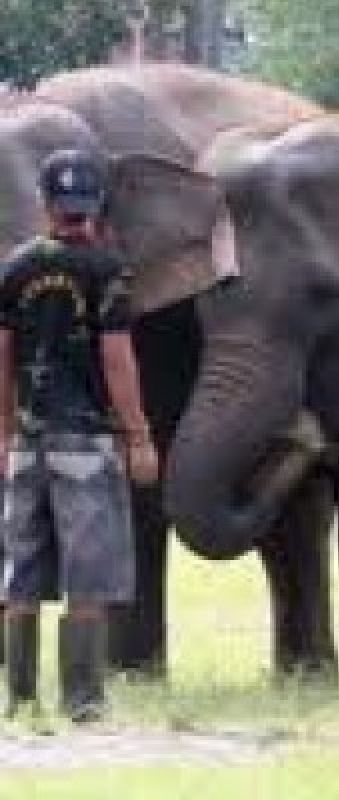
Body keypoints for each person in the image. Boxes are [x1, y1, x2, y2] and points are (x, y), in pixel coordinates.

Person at [0, 149, 158, 723]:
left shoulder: (15, 267)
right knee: (87, 571)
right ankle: (83, 699)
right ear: (92, 209)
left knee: (20, 567)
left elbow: (3, 354)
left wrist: (5, 432)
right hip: (85, 443)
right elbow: (117, 358)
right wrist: (139, 436)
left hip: (27, 439)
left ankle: (18, 698)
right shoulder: (108, 269)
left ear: (45, 206)